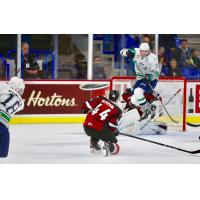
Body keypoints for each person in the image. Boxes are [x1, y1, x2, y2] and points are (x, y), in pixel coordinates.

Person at [120, 43, 160, 121]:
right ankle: (151, 109)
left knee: (138, 91)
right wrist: (127, 52)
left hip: (151, 79)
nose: (143, 53)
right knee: (134, 100)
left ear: (149, 51)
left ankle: (146, 110)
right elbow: (122, 51)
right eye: (142, 51)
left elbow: (155, 72)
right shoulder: (136, 51)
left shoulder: (153, 58)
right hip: (140, 78)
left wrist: (150, 76)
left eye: (146, 51)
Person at [82, 90, 122, 156]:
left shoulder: (101, 99)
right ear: (118, 98)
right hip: (99, 130)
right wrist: (114, 131)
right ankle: (107, 145)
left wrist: (84, 110)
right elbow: (112, 125)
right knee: (116, 148)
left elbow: (87, 105)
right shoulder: (118, 111)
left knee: (98, 125)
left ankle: (93, 144)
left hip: (86, 126)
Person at [0, 76, 25, 158]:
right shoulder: (21, 103)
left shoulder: (3, 86)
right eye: (22, 89)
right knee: (3, 153)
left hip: (3, 125)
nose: (22, 91)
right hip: (3, 126)